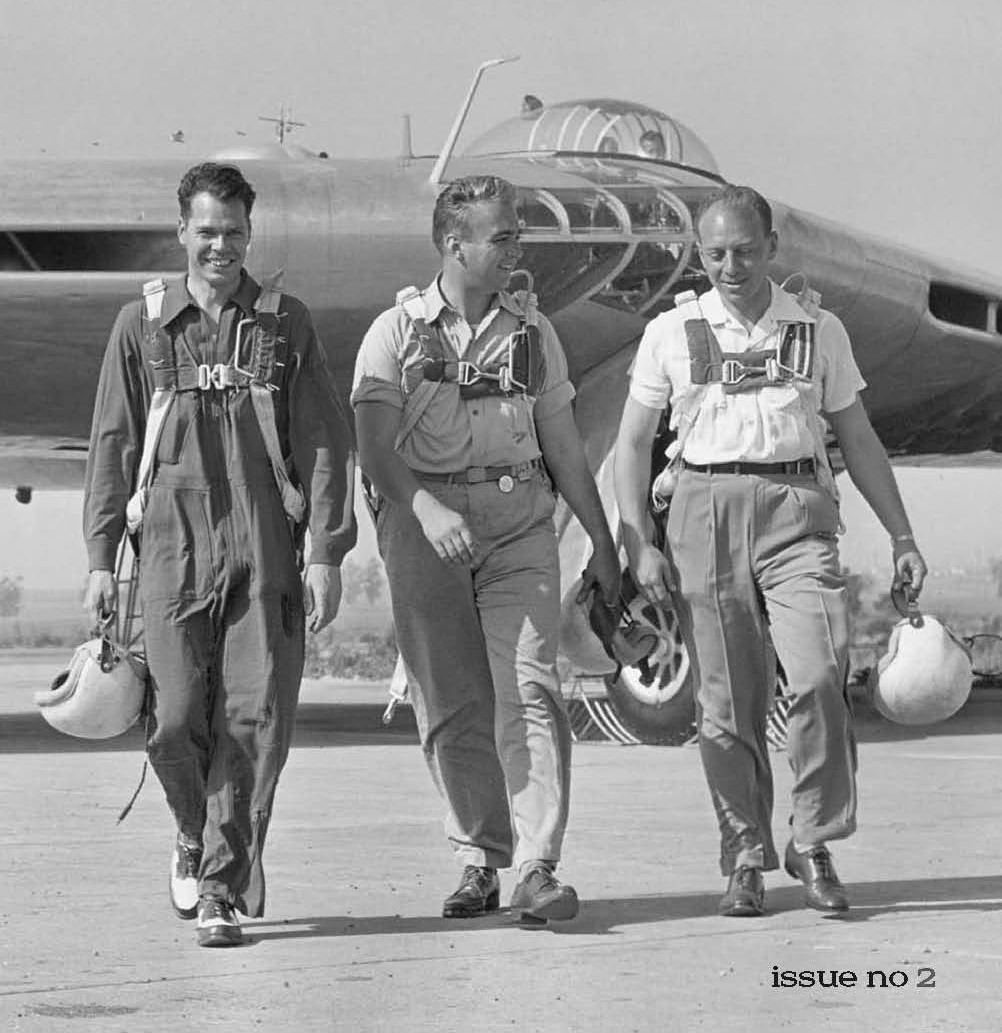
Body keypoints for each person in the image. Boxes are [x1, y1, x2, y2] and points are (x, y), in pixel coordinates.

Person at [614, 185, 927, 918]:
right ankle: (745, 855)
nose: (731, 266)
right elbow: (633, 443)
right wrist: (637, 541)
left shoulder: (819, 330)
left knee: (819, 674)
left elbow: (858, 437)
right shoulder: (670, 331)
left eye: (746, 252)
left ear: (772, 249)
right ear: (699, 253)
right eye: (717, 253)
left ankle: (812, 839)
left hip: (797, 513)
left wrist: (903, 534)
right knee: (727, 706)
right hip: (701, 512)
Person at [82, 162, 356, 947]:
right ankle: (191, 829)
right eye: (206, 231)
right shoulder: (142, 326)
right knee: (171, 718)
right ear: (181, 233)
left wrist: (327, 551)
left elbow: (325, 438)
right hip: (171, 539)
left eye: (234, 232)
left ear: (250, 234)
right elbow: (112, 440)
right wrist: (102, 555)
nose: (221, 246)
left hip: (265, 536)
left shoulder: (283, 323)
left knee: (252, 716)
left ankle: (220, 888)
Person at [352, 174, 619, 922]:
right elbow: (374, 447)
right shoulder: (396, 333)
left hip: (518, 525)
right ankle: (479, 857)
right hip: (423, 525)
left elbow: (563, 444)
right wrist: (427, 508)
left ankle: (537, 865)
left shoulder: (534, 332)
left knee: (530, 685)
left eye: (515, 235)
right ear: (454, 244)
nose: (515, 249)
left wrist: (600, 541)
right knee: (449, 702)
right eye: (502, 236)